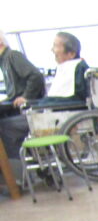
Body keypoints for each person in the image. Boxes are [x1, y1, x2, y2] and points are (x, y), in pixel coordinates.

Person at [0, 31, 44, 174]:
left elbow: (35, 76)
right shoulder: (4, 61)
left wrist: (26, 96)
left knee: (4, 128)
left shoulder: (12, 56)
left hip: (31, 110)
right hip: (18, 109)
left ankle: (18, 174)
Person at [33, 32, 89, 108]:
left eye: (55, 46)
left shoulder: (79, 67)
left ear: (71, 53)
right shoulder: (61, 68)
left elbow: (80, 97)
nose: (52, 50)